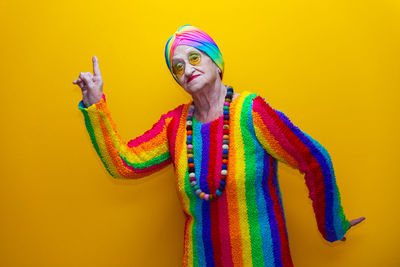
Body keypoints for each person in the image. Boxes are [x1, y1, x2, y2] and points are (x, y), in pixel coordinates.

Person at [73, 25, 365, 267]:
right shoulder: (175, 126)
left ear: (215, 60)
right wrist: (94, 104)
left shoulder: (250, 112)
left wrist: (332, 225)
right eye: (178, 67)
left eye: (194, 58)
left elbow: (313, 159)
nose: (187, 69)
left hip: (262, 259)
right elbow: (125, 164)